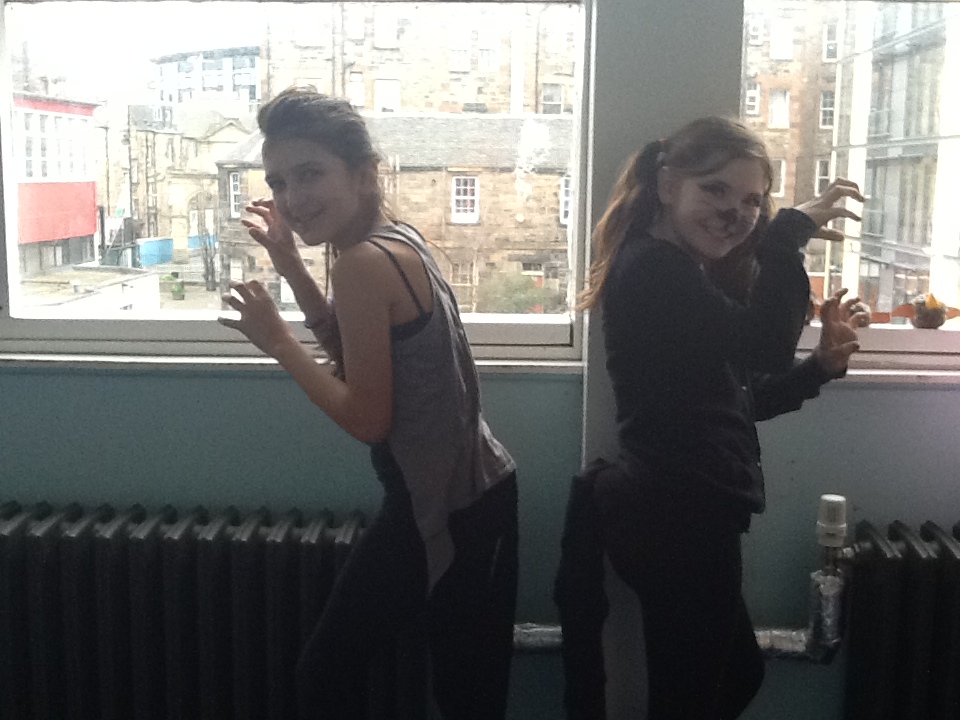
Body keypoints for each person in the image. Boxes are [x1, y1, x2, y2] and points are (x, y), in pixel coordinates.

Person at [218, 87, 518, 720]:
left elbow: (368, 418)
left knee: (330, 678)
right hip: (477, 489)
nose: (292, 199)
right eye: (279, 182)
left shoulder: (360, 263)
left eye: (310, 174)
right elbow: (356, 356)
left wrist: (278, 342)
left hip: (446, 505)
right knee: (461, 690)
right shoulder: (394, 241)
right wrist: (289, 264)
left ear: (362, 174)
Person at [554, 116, 865, 720]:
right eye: (715, 189)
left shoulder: (674, 270)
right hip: (678, 518)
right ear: (667, 185)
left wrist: (820, 368)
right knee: (691, 701)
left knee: (735, 676)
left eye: (752, 200)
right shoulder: (656, 270)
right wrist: (784, 237)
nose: (735, 213)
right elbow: (766, 346)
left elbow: (730, 404)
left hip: (682, 512)